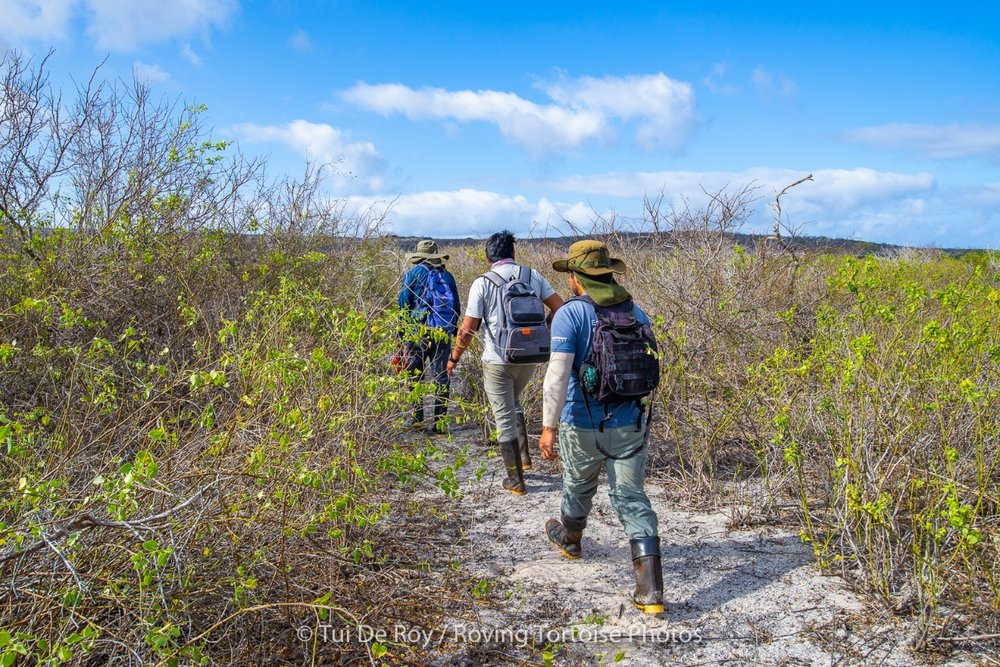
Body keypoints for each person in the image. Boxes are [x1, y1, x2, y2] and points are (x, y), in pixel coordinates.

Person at [538, 239, 664, 614]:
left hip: (582, 422)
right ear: (609, 272)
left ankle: (571, 539)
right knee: (631, 497)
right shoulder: (636, 311)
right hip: (629, 422)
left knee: (578, 485)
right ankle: (651, 592)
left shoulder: (570, 315)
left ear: (576, 277)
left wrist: (548, 426)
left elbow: (557, 376)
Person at [447, 230, 564, 494]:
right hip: (530, 358)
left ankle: (516, 480)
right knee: (515, 402)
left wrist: (454, 358)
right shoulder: (533, 276)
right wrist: (542, 332)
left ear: (488, 256)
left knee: (503, 416)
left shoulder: (483, 282)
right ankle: (524, 459)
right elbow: (560, 306)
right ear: (513, 253)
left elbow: (467, 330)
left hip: (498, 359)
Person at [398, 239, 462, 434]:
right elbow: (456, 307)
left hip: (417, 333)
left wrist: (402, 334)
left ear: (418, 256)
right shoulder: (447, 276)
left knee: (415, 376)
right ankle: (440, 423)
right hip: (442, 333)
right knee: (441, 377)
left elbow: (403, 305)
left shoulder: (412, 274)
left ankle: (417, 419)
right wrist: (450, 330)